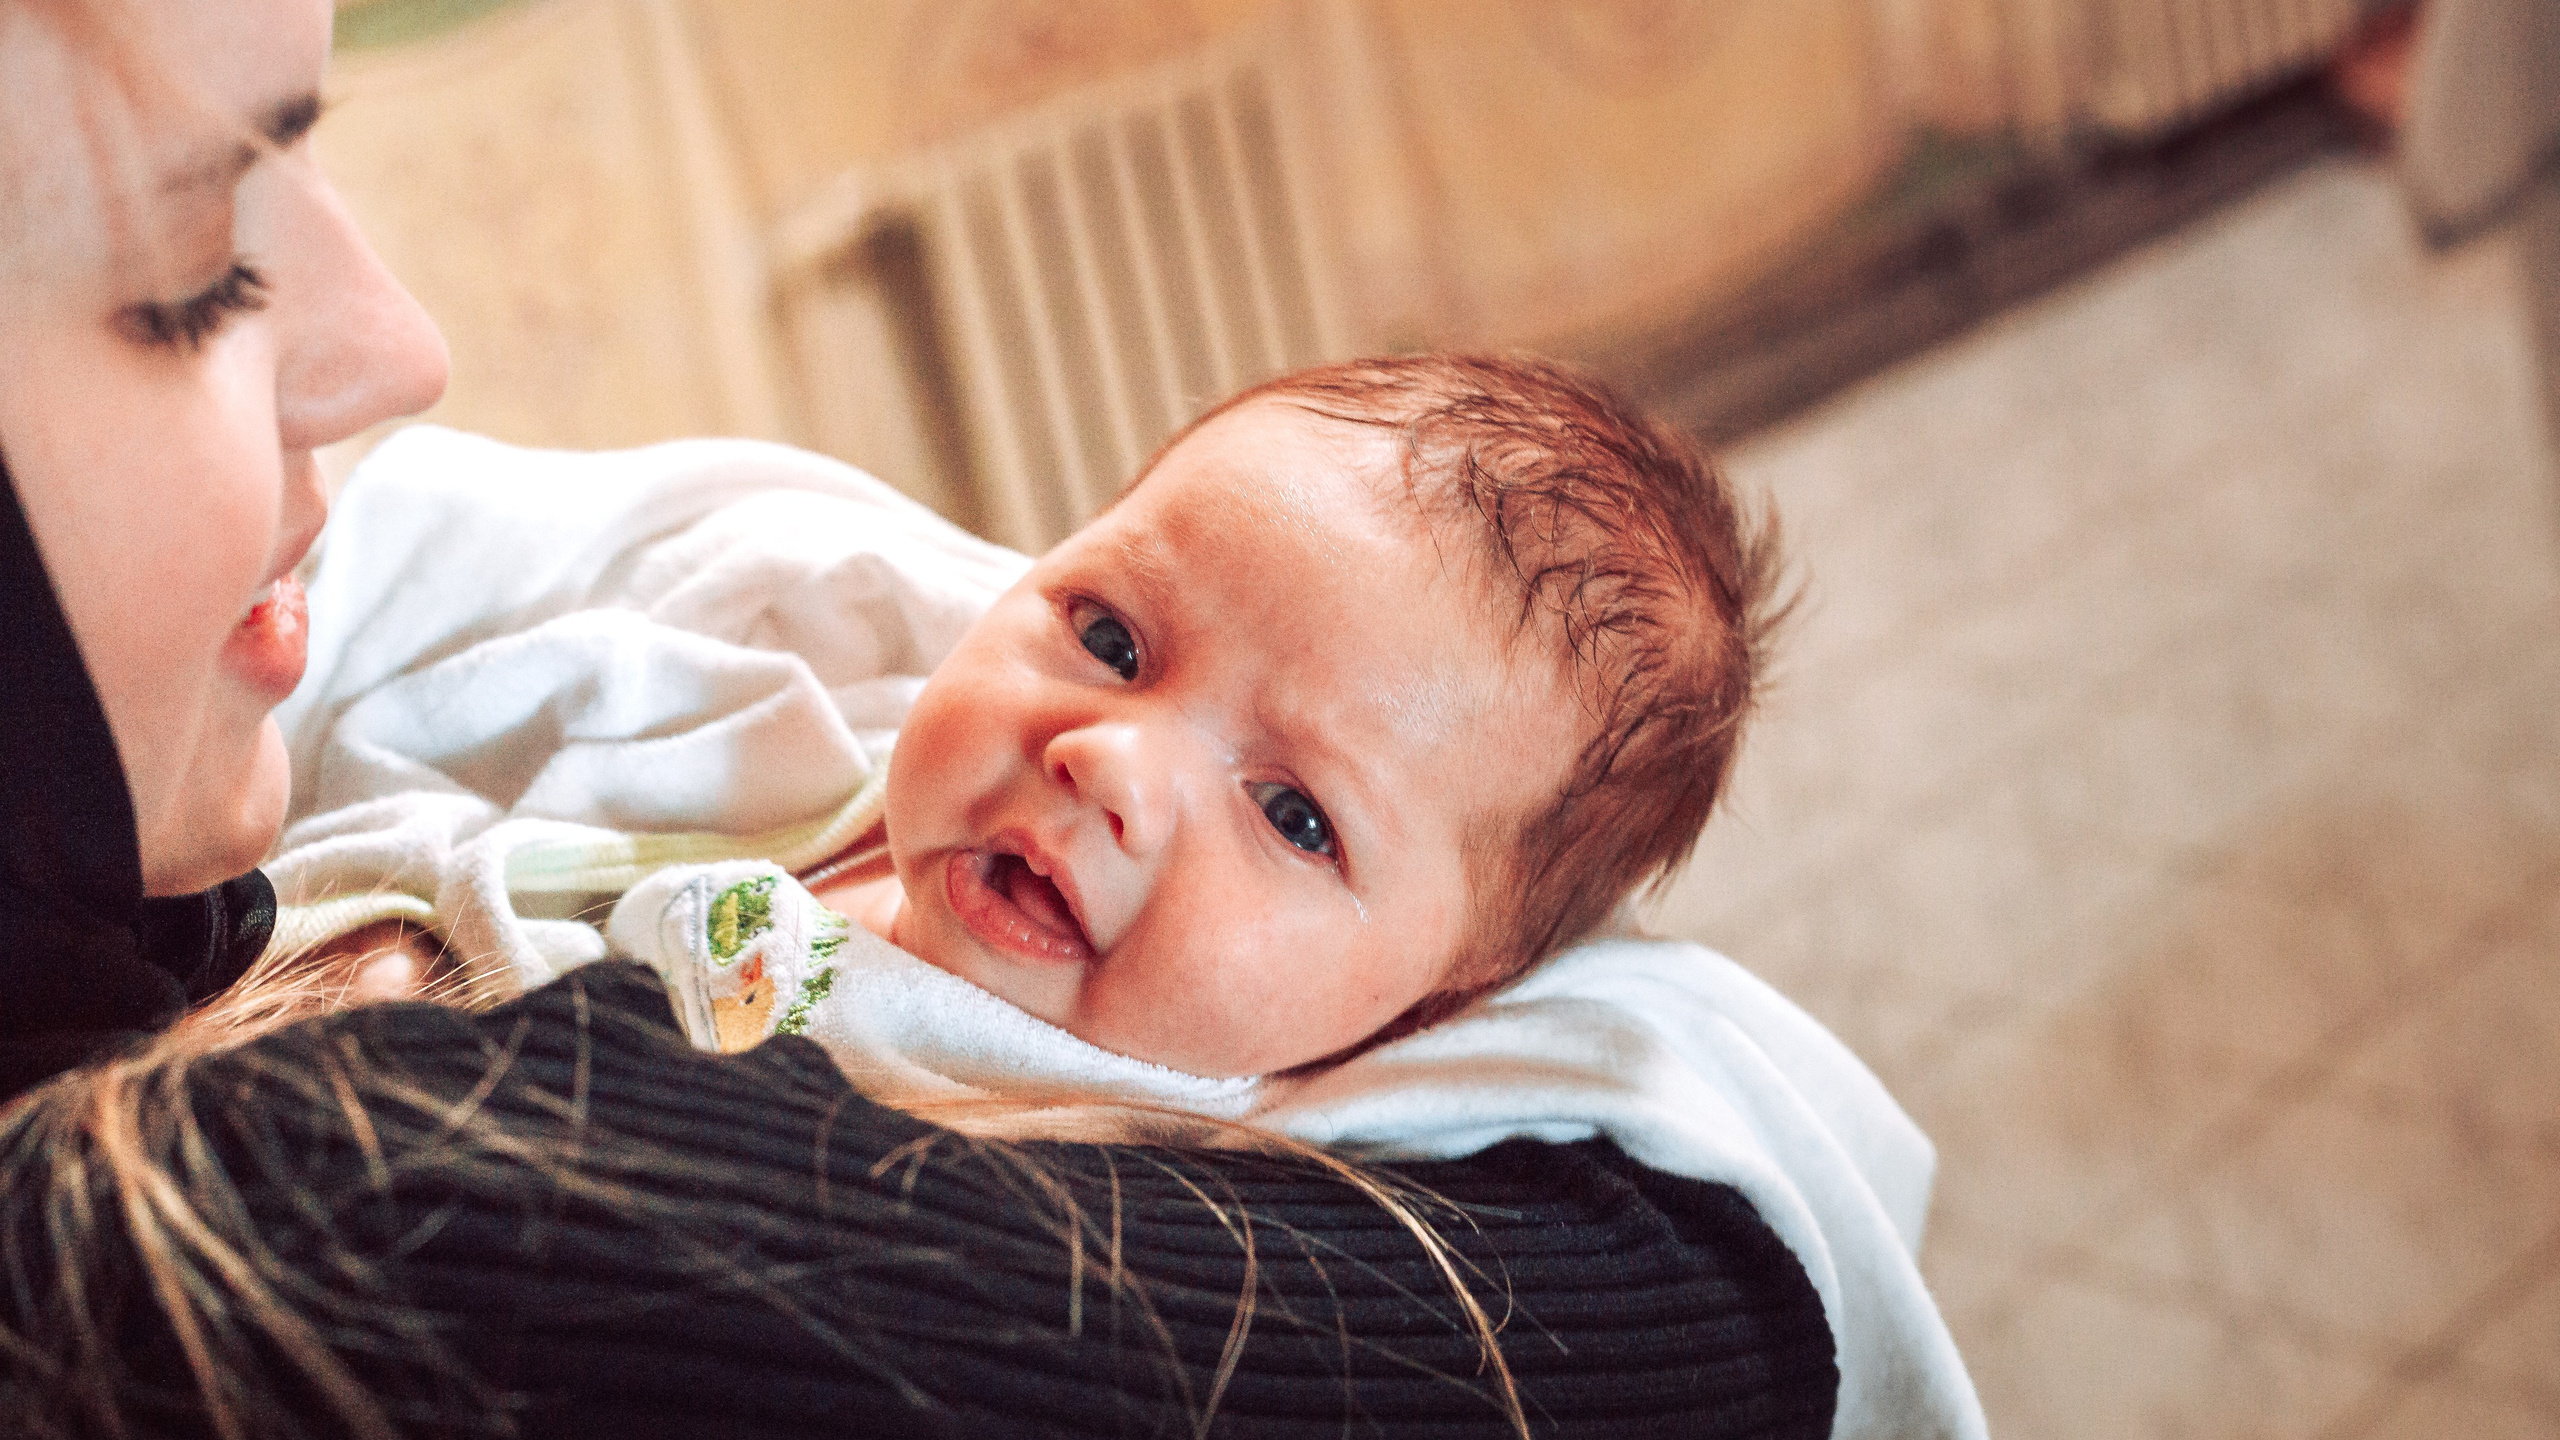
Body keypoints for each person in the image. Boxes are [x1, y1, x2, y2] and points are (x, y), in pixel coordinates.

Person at [0, 1, 1844, 1435]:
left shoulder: (1161, 1143)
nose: (1111, 762)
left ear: (1432, 1010)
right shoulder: (826, 800)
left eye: (1297, 817)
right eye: (1109, 634)